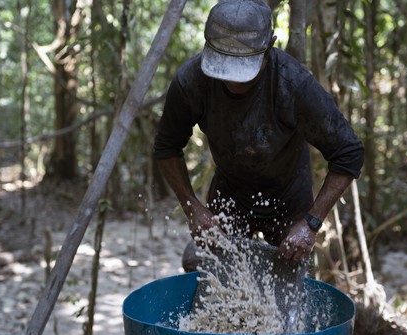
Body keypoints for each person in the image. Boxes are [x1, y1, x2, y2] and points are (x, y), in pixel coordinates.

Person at [153, 0, 364, 271]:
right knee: (203, 265)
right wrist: (192, 207)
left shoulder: (293, 84)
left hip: (289, 199)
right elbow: (167, 147)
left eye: (243, 71)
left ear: (269, 46)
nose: (233, 82)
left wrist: (311, 223)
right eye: (225, 69)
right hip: (230, 195)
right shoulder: (192, 82)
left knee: (291, 281)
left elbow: (349, 153)